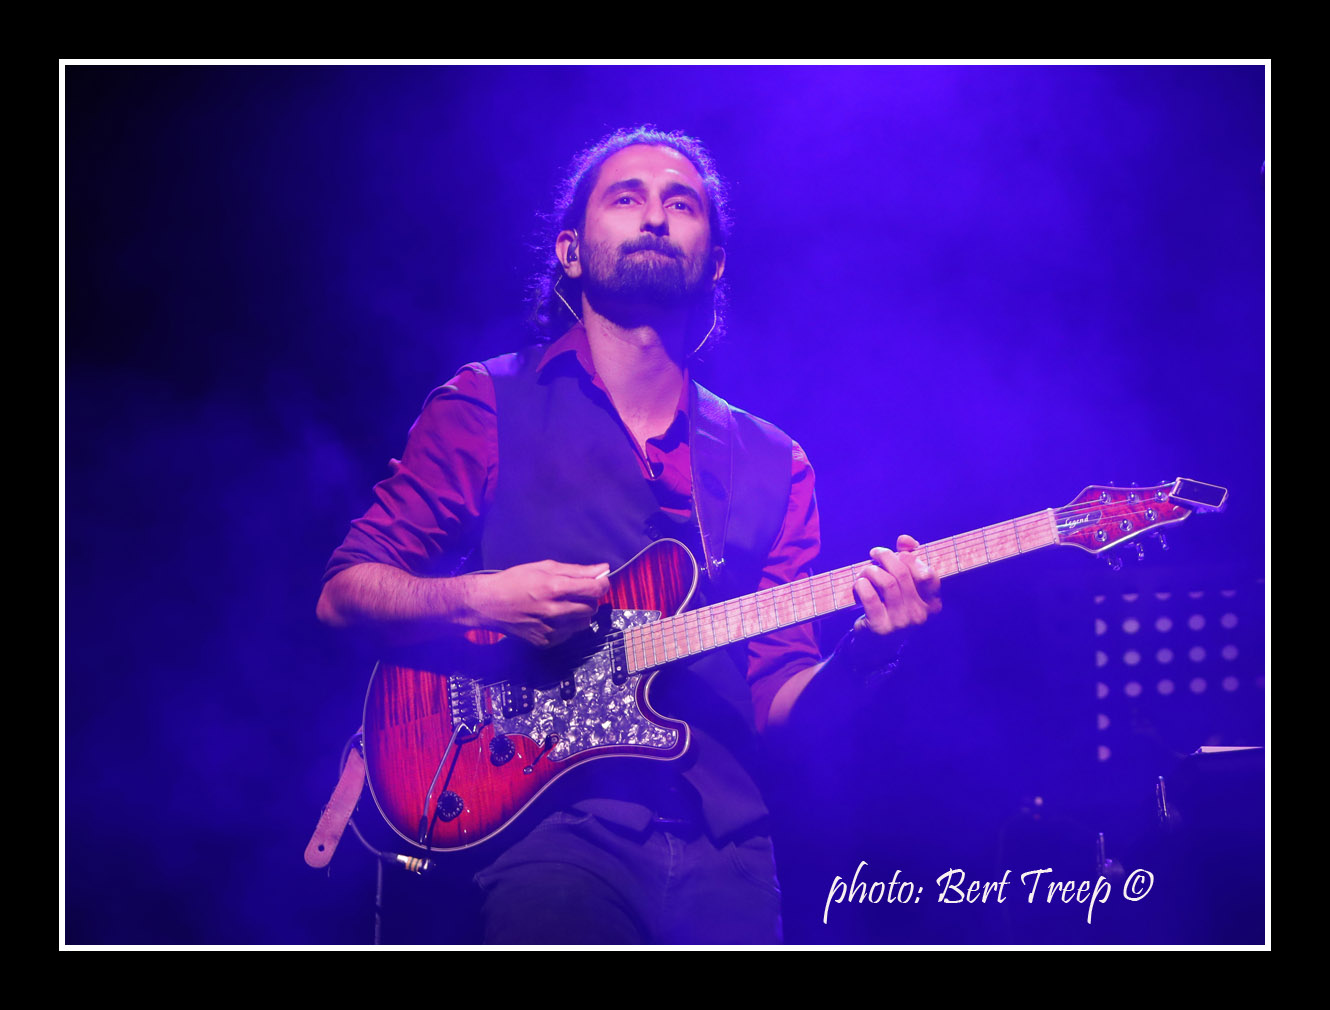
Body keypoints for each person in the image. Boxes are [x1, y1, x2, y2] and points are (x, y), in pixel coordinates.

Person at [317, 127, 941, 944]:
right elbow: (345, 594)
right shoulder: (487, 402)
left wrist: (864, 655)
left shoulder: (773, 461)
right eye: (626, 197)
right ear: (571, 252)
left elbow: (775, 697)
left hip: (731, 850)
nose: (654, 216)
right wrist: (484, 599)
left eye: (682, 204)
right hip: (548, 831)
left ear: (715, 262)